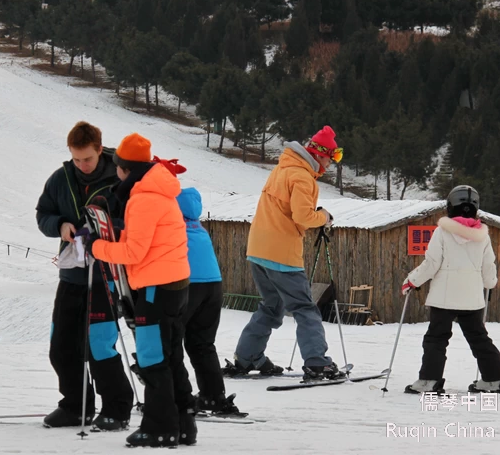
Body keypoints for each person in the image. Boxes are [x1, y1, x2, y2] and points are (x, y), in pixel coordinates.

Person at [86, 134, 196, 448]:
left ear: (126, 168)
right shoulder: (158, 190)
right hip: (173, 283)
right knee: (171, 357)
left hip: (155, 288)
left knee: (152, 358)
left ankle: (160, 427)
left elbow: (134, 253)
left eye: (118, 166)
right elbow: (144, 243)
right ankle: (183, 424)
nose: (115, 172)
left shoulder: (144, 198)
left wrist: (98, 247)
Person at [35, 121, 133, 431]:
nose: (82, 165)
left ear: (99, 151)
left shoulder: (120, 177)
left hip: (106, 273)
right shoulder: (61, 178)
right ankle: (75, 405)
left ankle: (117, 408)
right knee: (61, 344)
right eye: (76, 159)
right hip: (72, 273)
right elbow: (43, 213)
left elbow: (132, 218)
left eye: (87, 159)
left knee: (99, 345)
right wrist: (60, 225)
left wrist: (106, 229)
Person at [228, 126, 343, 382]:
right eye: (333, 157)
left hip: (258, 249)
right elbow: (303, 216)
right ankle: (317, 363)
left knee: (271, 306)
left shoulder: (282, 169)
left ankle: (248, 357)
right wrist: (324, 217)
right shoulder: (302, 177)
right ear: (320, 154)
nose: (332, 164)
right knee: (304, 308)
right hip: (282, 254)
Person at [402, 185, 500, 395]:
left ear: (450, 206)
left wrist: (412, 281)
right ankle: (494, 380)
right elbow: (489, 267)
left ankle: (429, 381)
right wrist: (489, 283)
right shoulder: (483, 235)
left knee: (436, 339)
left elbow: (431, 263)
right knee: (479, 338)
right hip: (472, 298)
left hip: (444, 297)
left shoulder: (442, 232)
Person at [175, 185, 242, 416]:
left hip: (185, 285)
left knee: (170, 343)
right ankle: (213, 397)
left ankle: (174, 398)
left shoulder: (173, 227)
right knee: (202, 344)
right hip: (213, 285)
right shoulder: (198, 227)